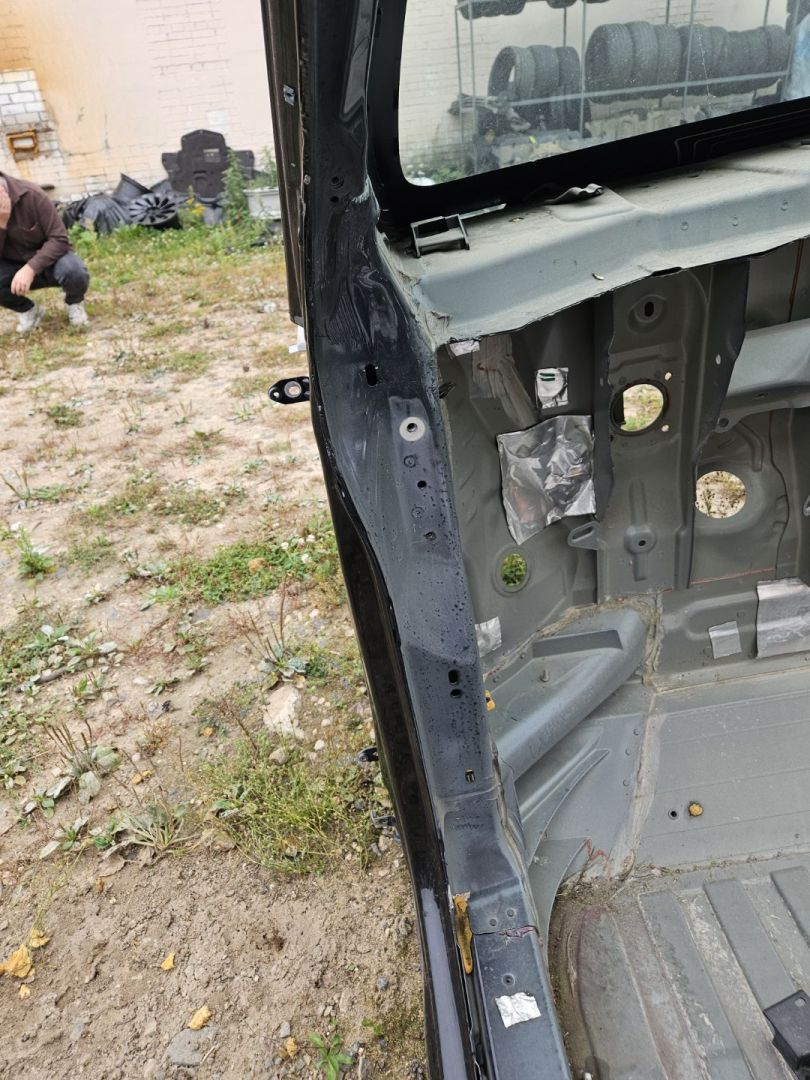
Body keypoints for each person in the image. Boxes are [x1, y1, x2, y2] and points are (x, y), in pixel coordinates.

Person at [0, 172, 90, 333]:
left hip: (51, 261)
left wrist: (30, 268)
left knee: (74, 271)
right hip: (13, 266)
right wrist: (2, 223)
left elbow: (59, 239)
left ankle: (74, 303)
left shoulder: (32, 195)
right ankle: (29, 310)